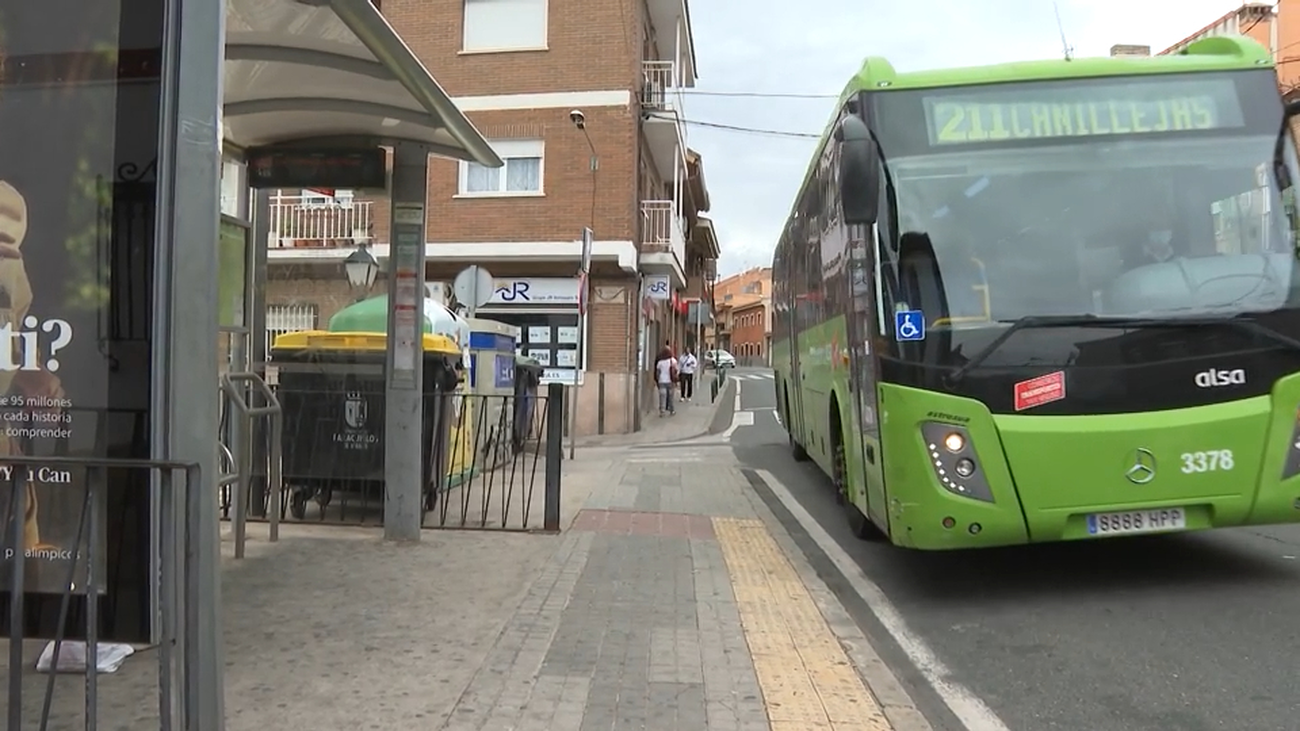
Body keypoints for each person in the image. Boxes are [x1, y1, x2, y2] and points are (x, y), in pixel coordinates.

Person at [654, 346, 678, 416]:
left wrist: (657, 381)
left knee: (662, 396)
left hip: (662, 381)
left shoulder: (660, 362)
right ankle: (672, 410)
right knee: (670, 397)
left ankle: (662, 411)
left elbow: (657, 373)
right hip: (670, 381)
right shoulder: (672, 361)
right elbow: (676, 370)